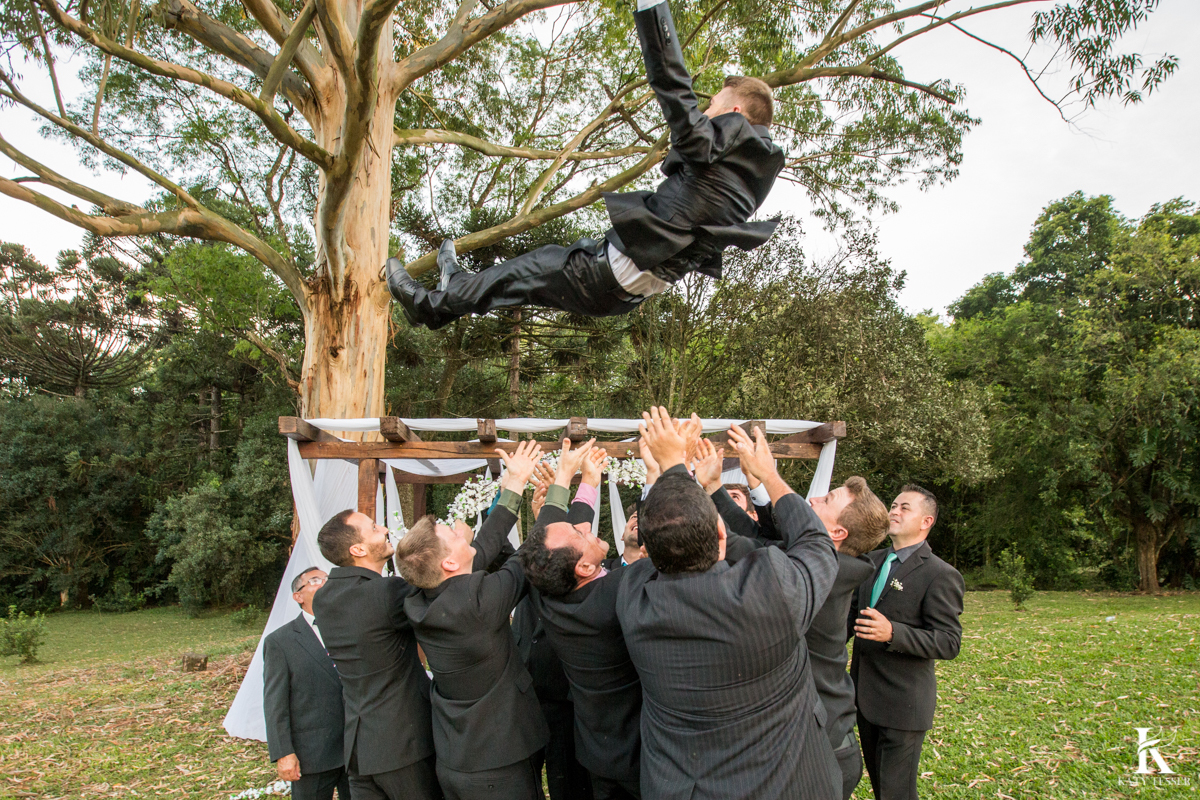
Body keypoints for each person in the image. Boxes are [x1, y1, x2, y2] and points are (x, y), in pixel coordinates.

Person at [386, 0, 784, 329]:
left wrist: (652, 8)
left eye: (712, 103)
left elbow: (673, 89)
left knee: (516, 275)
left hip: (603, 274)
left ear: (734, 112)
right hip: (621, 295)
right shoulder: (752, 179)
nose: (705, 109)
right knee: (511, 283)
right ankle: (455, 284)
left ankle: (424, 305)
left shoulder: (727, 136)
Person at [616, 408, 841, 799]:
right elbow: (816, 542)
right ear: (722, 533)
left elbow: (660, 542)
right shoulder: (773, 590)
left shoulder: (633, 595)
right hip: (789, 786)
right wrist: (767, 475)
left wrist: (671, 467)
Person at [698, 443, 888, 799]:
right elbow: (760, 537)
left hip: (822, 751)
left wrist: (767, 476)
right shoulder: (827, 564)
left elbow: (746, 546)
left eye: (827, 500)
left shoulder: (822, 577)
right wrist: (712, 489)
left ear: (837, 534)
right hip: (818, 741)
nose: (812, 501)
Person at [394, 440, 549, 800]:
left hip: (458, 756)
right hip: (497, 765)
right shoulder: (478, 604)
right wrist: (559, 490)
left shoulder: (420, 597)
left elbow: (487, 543)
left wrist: (513, 486)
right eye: (451, 533)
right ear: (449, 563)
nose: (460, 531)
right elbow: (528, 556)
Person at [520, 448, 645, 800]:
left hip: (596, 754)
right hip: (642, 756)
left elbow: (561, 536)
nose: (587, 529)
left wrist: (586, 478)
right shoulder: (618, 590)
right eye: (581, 534)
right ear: (585, 569)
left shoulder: (550, 589)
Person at [311, 512, 442, 800]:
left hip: (359, 749)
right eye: (373, 527)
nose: (383, 529)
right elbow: (440, 584)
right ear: (357, 550)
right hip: (404, 744)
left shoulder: (323, 598)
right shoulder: (385, 592)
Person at [850, 484, 965, 800]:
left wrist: (894, 634)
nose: (894, 511)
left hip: (903, 705)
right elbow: (847, 622)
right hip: (862, 696)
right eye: (893, 505)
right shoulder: (869, 562)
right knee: (880, 787)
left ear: (926, 522)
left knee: (895, 793)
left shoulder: (941, 574)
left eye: (905, 508)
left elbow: (948, 642)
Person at [512, 447, 606, 800]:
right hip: (523, 690)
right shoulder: (538, 561)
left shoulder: (576, 571)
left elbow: (577, 529)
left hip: (567, 698)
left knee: (570, 783)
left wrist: (584, 484)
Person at [263, 567, 351, 800]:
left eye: (327, 579)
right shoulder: (280, 642)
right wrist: (284, 753)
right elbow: (275, 703)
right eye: (315, 580)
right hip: (313, 753)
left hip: (356, 747)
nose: (324, 582)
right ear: (298, 597)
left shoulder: (353, 628)